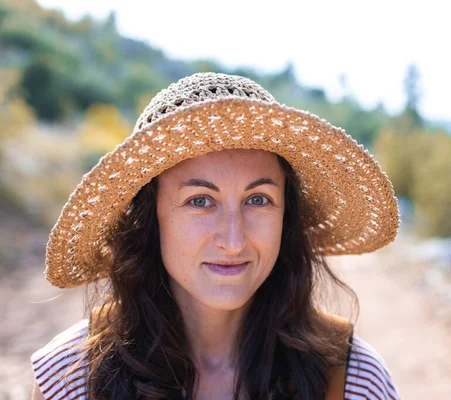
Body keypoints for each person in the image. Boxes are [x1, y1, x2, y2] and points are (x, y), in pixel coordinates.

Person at [30, 72, 401, 400]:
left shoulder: (354, 380)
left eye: (258, 199)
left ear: (286, 215)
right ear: (150, 217)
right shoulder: (69, 379)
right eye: (200, 201)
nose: (234, 240)